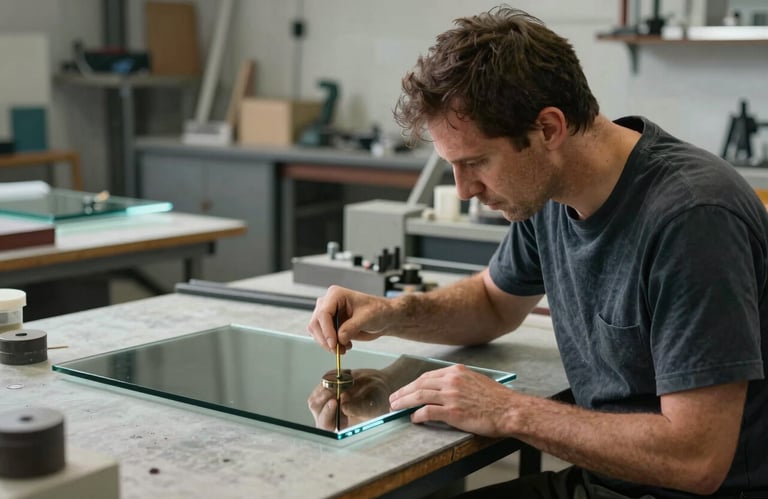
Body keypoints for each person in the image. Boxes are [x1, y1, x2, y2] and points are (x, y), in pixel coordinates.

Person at [307, 6, 767, 498]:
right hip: (610, 484)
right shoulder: (549, 195)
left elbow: (697, 457)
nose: (464, 191)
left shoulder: (691, 218)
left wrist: (508, 409)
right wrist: (393, 314)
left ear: (548, 129)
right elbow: (491, 304)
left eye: (477, 162)